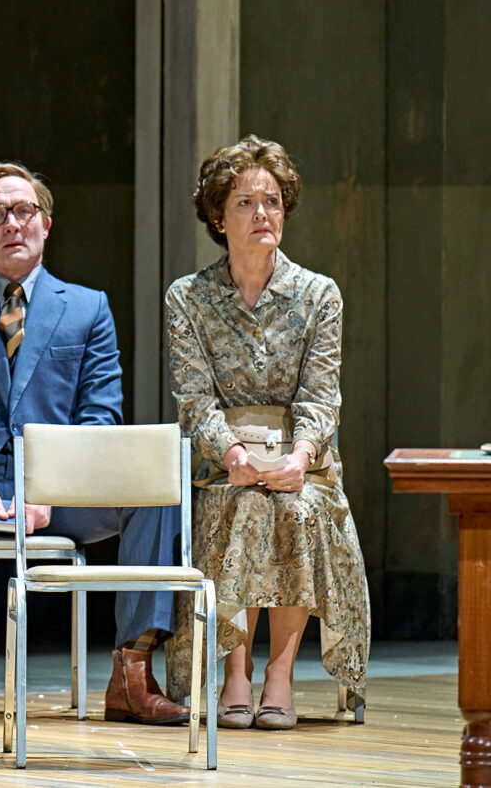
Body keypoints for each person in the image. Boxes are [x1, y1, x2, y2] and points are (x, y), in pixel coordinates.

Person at [0, 161, 189, 725]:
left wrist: (51, 480)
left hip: (57, 491)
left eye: (24, 211)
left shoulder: (87, 307)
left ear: (46, 224)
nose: (12, 224)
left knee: (155, 493)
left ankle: (131, 674)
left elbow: (100, 415)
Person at [163, 135, 370, 730]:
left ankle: (280, 675)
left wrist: (301, 456)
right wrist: (231, 453)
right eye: (246, 203)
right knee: (243, 506)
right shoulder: (189, 298)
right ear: (217, 217)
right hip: (222, 457)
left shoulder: (317, 294)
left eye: (273, 201)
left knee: (297, 508)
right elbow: (195, 397)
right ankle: (235, 674)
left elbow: (320, 395)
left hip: (303, 459)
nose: (263, 214)